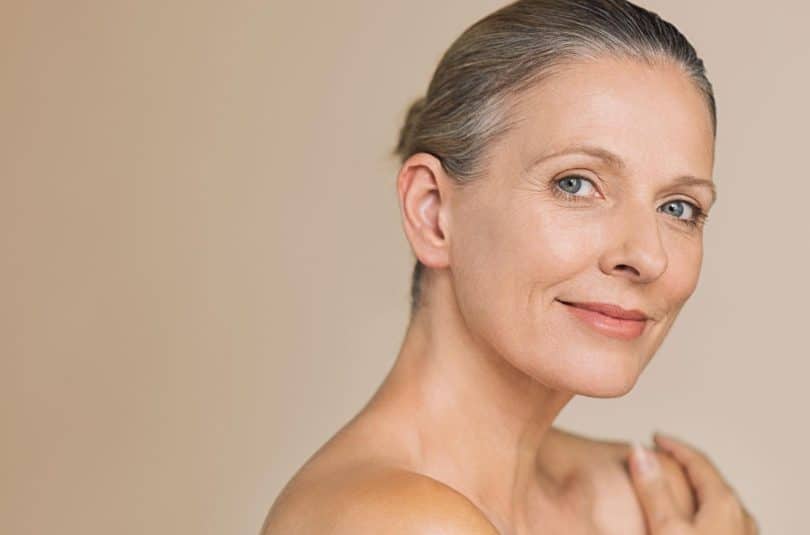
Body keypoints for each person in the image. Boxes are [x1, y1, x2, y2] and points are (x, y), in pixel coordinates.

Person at [262, 0, 758, 533]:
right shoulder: (394, 519)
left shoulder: (642, 499)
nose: (646, 255)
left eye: (678, 208)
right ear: (432, 211)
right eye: (575, 183)